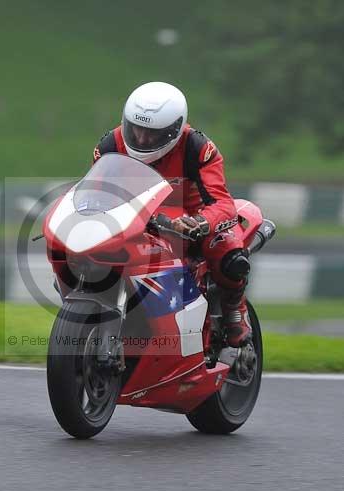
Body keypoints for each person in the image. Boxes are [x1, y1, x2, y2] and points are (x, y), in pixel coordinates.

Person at [92, 81, 251, 347]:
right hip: (135, 220)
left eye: (152, 134)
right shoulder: (109, 146)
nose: (142, 140)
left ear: (175, 129)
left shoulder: (198, 148)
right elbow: (96, 194)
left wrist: (199, 222)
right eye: (136, 130)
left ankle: (235, 311)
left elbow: (223, 204)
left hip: (188, 222)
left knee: (227, 250)